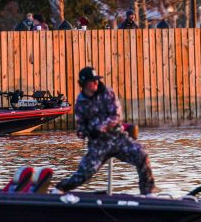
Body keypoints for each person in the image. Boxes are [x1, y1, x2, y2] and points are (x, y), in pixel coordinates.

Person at [56, 66, 157, 195]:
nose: (96, 82)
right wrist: (83, 132)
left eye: (96, 80)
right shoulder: (80, 102)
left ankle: (148, 194)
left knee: (142, 155)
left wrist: (100, 128)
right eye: (92, 80)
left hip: (118, 139)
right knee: (84, 173)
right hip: (98, 145)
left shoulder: (107, 93)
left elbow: (116, 116)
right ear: (84, 83)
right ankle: (59, 190)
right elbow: (81, 125)